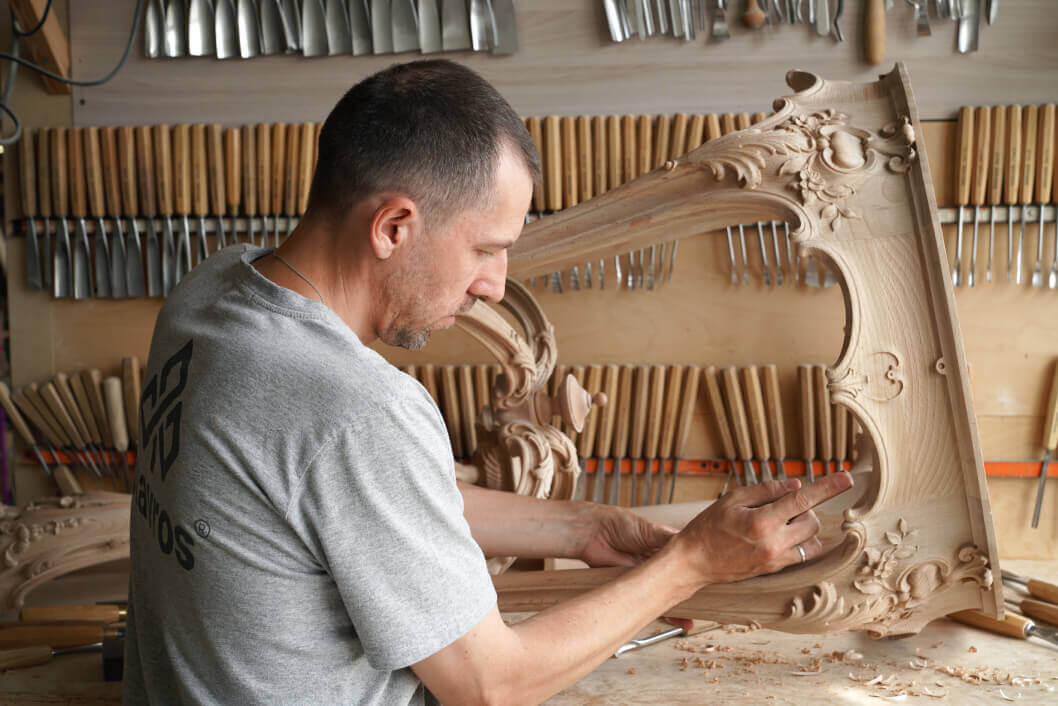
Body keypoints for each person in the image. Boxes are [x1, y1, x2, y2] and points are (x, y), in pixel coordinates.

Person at [124, 59, 852, 705]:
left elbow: (360, 501)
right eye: (485, 249)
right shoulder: (356, 408)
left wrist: (584, 526)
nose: (495, 286)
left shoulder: (211, 291)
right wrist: (693, 562)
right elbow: (490, 685)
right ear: (393, 226)